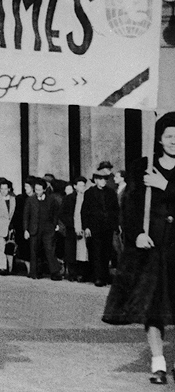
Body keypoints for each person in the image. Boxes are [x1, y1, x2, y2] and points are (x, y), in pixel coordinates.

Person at [104, 113, 175, 384]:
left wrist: (165, 186)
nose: (173, 142)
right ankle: (158, 363)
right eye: (169, 136)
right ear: (159, 138)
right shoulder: (142, 167)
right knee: (153, 306)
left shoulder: (162, 176)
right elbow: (130, 208)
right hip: (152, 247)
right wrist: (137, 234)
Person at [83, 169, 120, 287]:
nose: (103, 181)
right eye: (100, 179)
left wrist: (115, 225)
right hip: (94, 227)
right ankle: (98, 277)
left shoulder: (111, 193)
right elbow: (84, 211)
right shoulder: (89, 193)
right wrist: (86, 227)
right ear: (95, 180)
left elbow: (116, 210)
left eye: (105, 179)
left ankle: (105, 275)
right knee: (97, 252)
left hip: (107, 227)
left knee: (106, 251)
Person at [24, 178, 63, 280]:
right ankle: (35, 272)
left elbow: (55, 214)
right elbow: (26, 216)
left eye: (39, 190)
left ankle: (55, 272)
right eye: (36, 189)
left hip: (48, 229)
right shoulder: (30, 200)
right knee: (34, 251)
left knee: (49, 250)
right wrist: (26, 230)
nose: (37, 192)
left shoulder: (51, 200)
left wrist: (54, 225)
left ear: (44, 189)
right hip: (34, 228)